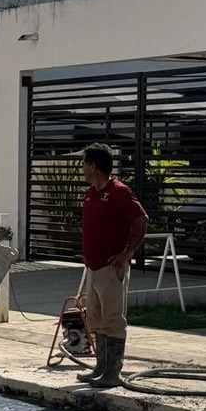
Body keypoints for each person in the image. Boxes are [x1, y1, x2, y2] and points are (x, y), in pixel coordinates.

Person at [75, 143, 148, 388]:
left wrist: (128, 253)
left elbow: (140, 219)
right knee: (96, 318)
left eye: (84, 163)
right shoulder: (91, 193)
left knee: (112, 320)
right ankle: (101, 367)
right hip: (93, 267)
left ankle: (113, 372)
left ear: (93, 166)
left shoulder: (119, 192)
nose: (81, 168)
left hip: (111, 267)